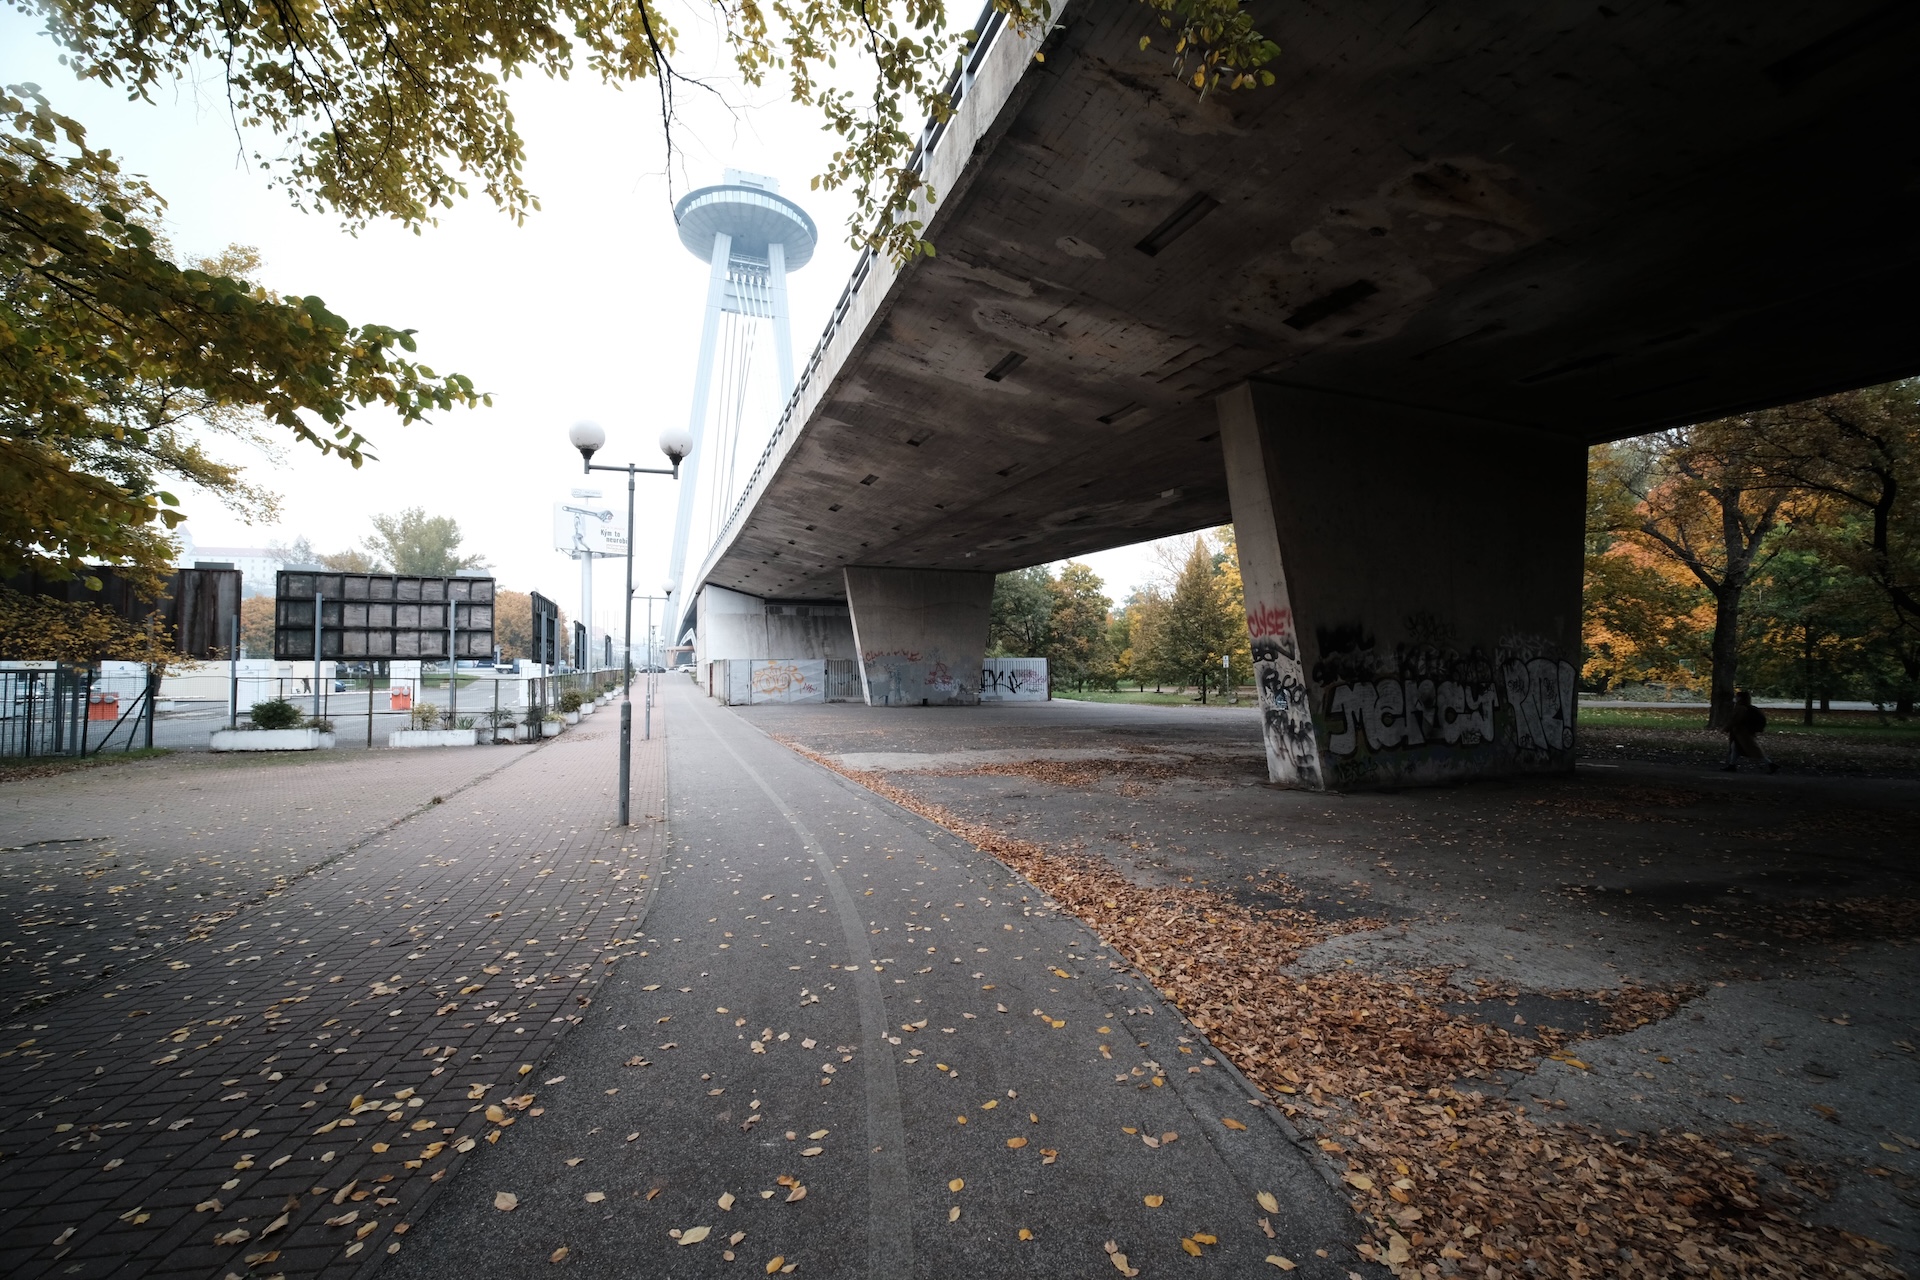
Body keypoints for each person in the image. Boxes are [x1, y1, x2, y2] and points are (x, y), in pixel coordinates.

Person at [1723, 689, 1777, 773]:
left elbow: (1735, 720)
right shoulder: (1746, 707)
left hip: (1742, 732)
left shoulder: (1741, 708)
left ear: (1740, 698)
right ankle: (1732, 765)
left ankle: (1770, 764)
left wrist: (1726, 728)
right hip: (1743, 732)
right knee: (1735, 747)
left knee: (1753, 749)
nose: (1735, 698)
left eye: (1737, 697)